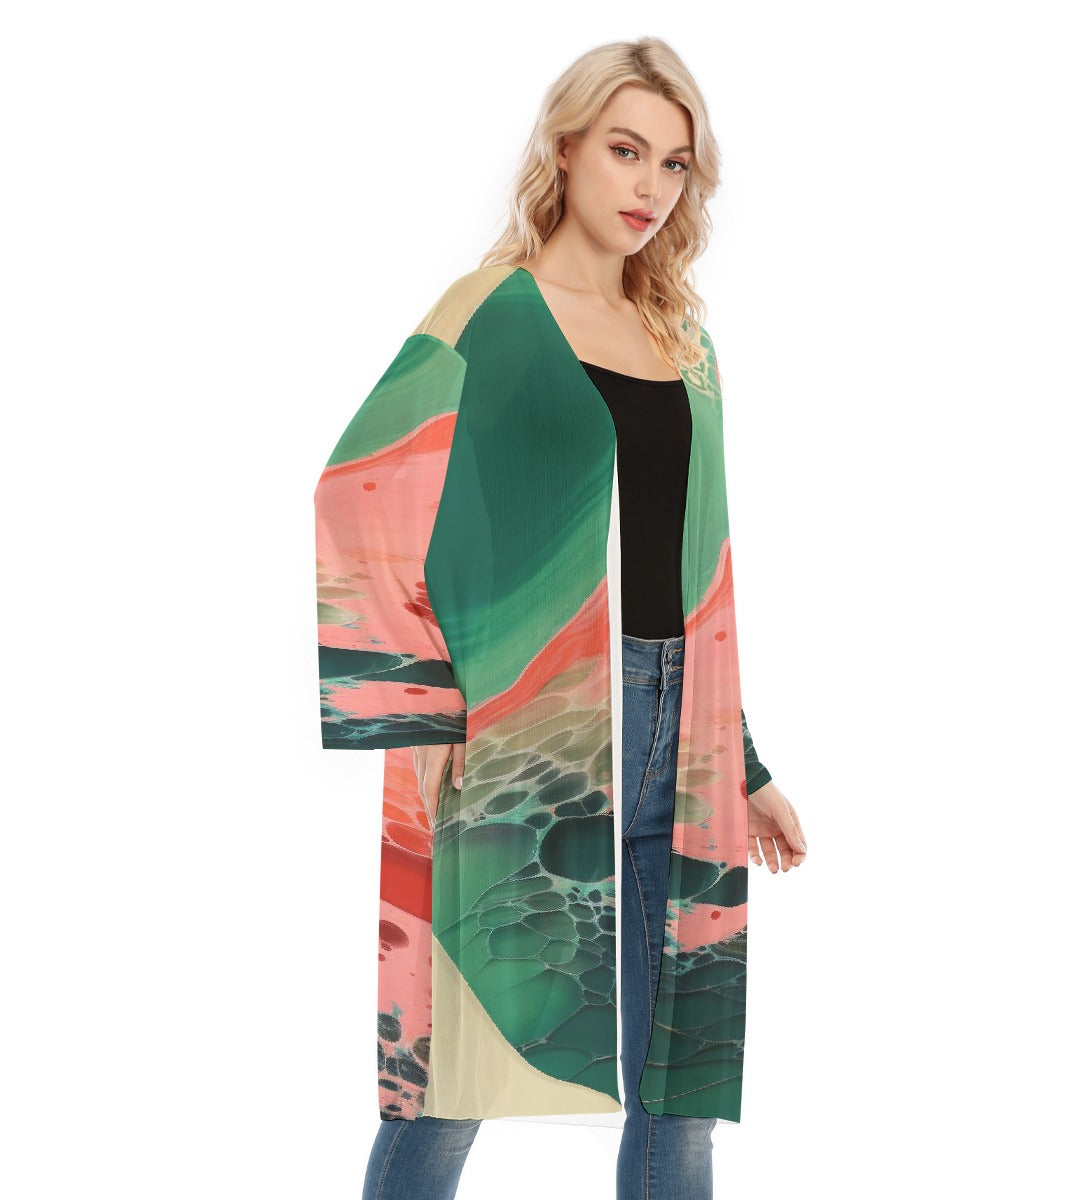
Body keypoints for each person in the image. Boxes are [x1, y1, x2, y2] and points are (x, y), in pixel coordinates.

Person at [314, 35, 808, 1200]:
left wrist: (742, 762)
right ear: (567, 147)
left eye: (675, 164)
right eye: (627, 151)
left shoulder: (682, 342)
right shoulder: (489, 312)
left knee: (680, 1086)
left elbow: (698, 568)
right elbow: (355, 495)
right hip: (526, 729)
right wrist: (421, 710)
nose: (651, 187)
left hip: (681, 727)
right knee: (460, 1068)